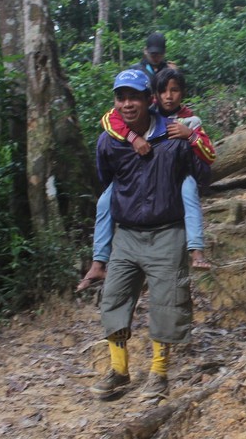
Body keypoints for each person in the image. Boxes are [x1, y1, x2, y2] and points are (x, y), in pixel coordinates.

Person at [90, 68, 211, 399]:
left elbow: (202, 175)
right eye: (121, 98)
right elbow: (106, 179)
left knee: (167, 304)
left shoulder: (174, 135)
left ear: (149, 100)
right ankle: (119, 371)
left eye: (134, 97)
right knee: (114, 300)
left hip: (167, 232)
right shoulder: (109, 141)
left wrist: (192, 138)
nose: (127, 104)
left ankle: (159, 374)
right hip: (127, 235)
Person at [77, 68, 216, 291]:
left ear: (183, 93)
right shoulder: (145, 112)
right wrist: (132, 138)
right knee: (105, 201)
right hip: (135, 191)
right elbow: (108, 119)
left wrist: (189, 136)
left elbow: (209, 156)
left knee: (189, 190)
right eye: (163, 91)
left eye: (174, 91)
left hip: (173, 186)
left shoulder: (189, 120)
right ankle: (98, 261)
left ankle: (196, 249)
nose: (168, 96)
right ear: (155, 96)